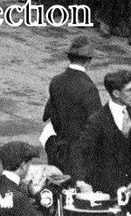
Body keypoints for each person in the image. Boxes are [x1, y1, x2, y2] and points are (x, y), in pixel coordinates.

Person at [73, 69, 131, 216]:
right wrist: (80, 181)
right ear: (116, 94)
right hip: (108, 197)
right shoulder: (97, 121)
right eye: (130, 90)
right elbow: (80, 152)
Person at [42, 35, 103, 170]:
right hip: (79, 156)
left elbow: (47, 114)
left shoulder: (56, 81)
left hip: (56, 148)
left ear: (69, 57)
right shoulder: (89, 88)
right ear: (89, 60)